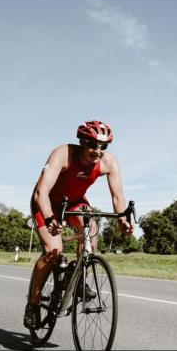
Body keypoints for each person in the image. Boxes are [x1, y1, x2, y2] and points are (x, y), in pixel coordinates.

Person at [24, 120, 133, 330]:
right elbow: (41, 192)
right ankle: (33, 304)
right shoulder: (63, 154)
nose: (98, 151)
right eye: (92, 144)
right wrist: (49, 218)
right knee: (53, 250)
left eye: (103, 146)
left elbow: (118, 196)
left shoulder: (109, 163)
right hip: (47, 203)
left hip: (74, 202)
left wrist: (122, 219)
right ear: (82, 142)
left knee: (91, 228)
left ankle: (78, 276)